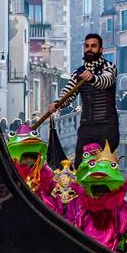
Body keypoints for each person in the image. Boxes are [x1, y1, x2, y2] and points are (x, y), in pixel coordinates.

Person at [49, 33, 118, 168]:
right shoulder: (78, 72)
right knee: (80, 165)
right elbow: (68, 93)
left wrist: (92, 78)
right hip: (87, 125)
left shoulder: (109, 67)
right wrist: (57, 103)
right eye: (87, 46)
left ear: (101, 49)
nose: (89, 49)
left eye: (93, 46)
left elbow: (106, 81)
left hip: (108, 125)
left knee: (105, 166)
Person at [5, 124, 54, 199]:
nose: (29, 160)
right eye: (25, 157)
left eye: (32, 157)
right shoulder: (7, 175)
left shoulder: (48, 175)